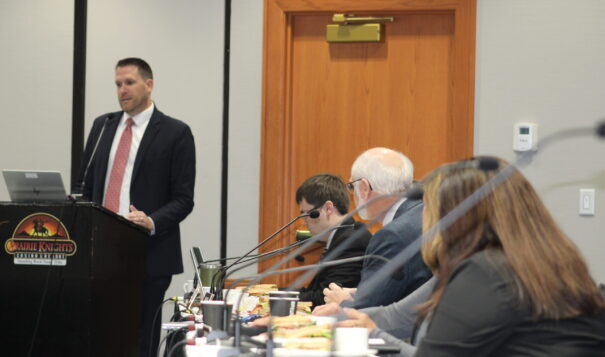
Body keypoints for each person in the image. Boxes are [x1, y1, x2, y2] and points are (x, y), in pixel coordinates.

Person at [336, 157, 605, 356]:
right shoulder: (546, 259)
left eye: (429, 208)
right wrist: (341, 319)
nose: (424, 218)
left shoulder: (485, 271)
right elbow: (402, 315)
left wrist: (372, 335)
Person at [78, 58, 196, 357]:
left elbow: (184, 198)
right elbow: (87, 186)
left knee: (140, 340)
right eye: (118, 84)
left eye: (129, 82)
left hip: (149, 252)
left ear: (149, 84)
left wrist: (152, 221)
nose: (122, 90)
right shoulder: (103, 126)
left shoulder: (175, 132)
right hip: (100, 252)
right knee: (98, 336)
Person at [323, 147, 431, 309]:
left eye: (352, 186)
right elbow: (402, 289)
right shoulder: (421, 212)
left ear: (365, 188)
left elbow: (365, 311)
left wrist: (342, 302)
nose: (352, 194)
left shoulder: (392, 235)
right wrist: (360, 293)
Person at [295, 173, 372, 307]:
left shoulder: (352, 241)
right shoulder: (341, 236)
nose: (304, 222)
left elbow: (325, 296)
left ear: (328, 208)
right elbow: (314, 291)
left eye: (307, 214)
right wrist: (273, 294)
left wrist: (275, 298)